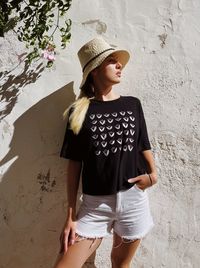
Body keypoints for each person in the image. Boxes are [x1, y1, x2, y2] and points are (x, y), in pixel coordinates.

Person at [54, 37, 158, 268]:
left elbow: (143, 144)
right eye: (112, 61)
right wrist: (70, 216)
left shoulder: (133, 104)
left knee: (119, 264)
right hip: (94, 205)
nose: (119, 65)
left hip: (133, 199)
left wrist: (153, 175)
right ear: (94, 70)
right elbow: (74, 165)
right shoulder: (79, 111)